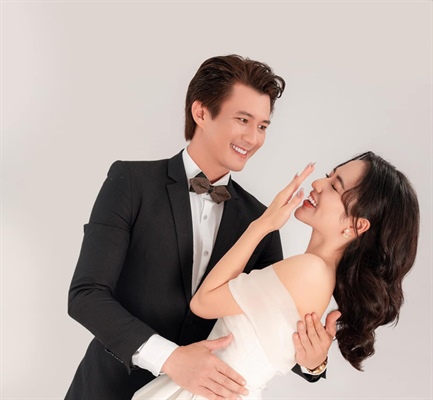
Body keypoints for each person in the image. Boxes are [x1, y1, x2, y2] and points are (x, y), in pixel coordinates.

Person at [66, 54, 337, 400]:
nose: (253, 138)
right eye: (243, 120)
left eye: (263, 126)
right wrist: (170, 358)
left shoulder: (261, 219)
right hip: (108, 390)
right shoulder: (131, 182)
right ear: (201, 113)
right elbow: (86, 295)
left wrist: (315, 362)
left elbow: (272, 323)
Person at [132, 151, 420, 400]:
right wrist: (314, 365)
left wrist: (263, 225)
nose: (318, 184)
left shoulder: (309, 271)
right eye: (327, 176)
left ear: (356, 225)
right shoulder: (317, 274)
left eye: (335, 186)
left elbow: (203, 303)